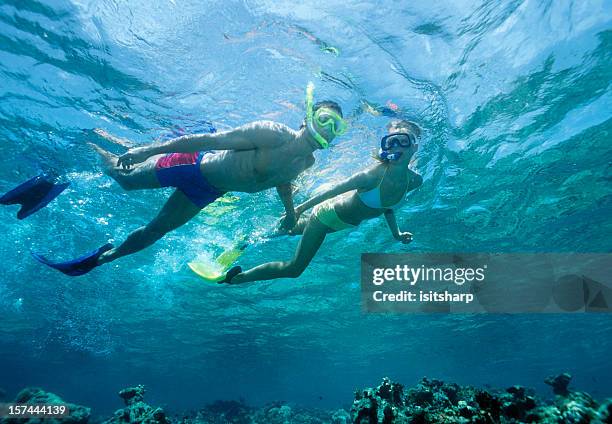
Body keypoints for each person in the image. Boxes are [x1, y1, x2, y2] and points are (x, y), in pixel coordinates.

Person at [32, 84, 347, 276]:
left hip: (209, 190)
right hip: (192, 165)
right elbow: (207, 140)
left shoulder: (306, 161)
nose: (328, 130)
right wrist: (148, 149)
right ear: (307, 118)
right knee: (122, 178)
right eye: (324, 120)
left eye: (336, 128)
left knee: (158, 230)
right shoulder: (272, 133)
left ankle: (103, 258)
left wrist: (291, 213)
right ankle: (92, 143)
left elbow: (283, 182)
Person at [221, 119, 423, 284]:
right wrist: (297, 210)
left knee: (287, 230)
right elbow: (333, 191)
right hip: (325, 217)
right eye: (390, 142)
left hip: (340, 224)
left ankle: (246, 241)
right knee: (294, 269)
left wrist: (396, 234)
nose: (396, 146)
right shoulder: (372, 176)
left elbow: (387, 207)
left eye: (402, 140)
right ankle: (237, 279)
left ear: (414, 146)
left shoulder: (414, 181)